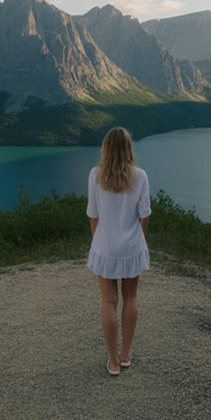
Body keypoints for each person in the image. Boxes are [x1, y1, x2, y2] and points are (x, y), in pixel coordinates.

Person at [86, 127, 151, 376]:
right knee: (131, 298)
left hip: (105, 246)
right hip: (132, 246)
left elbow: (93, 214)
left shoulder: (95, 175)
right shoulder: (141, 176)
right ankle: (126, 355)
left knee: (109, 301)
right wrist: (136, 238)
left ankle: (113, 361)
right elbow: (144, 215)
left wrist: (100, 240)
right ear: (129, 149)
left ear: (105, 149)